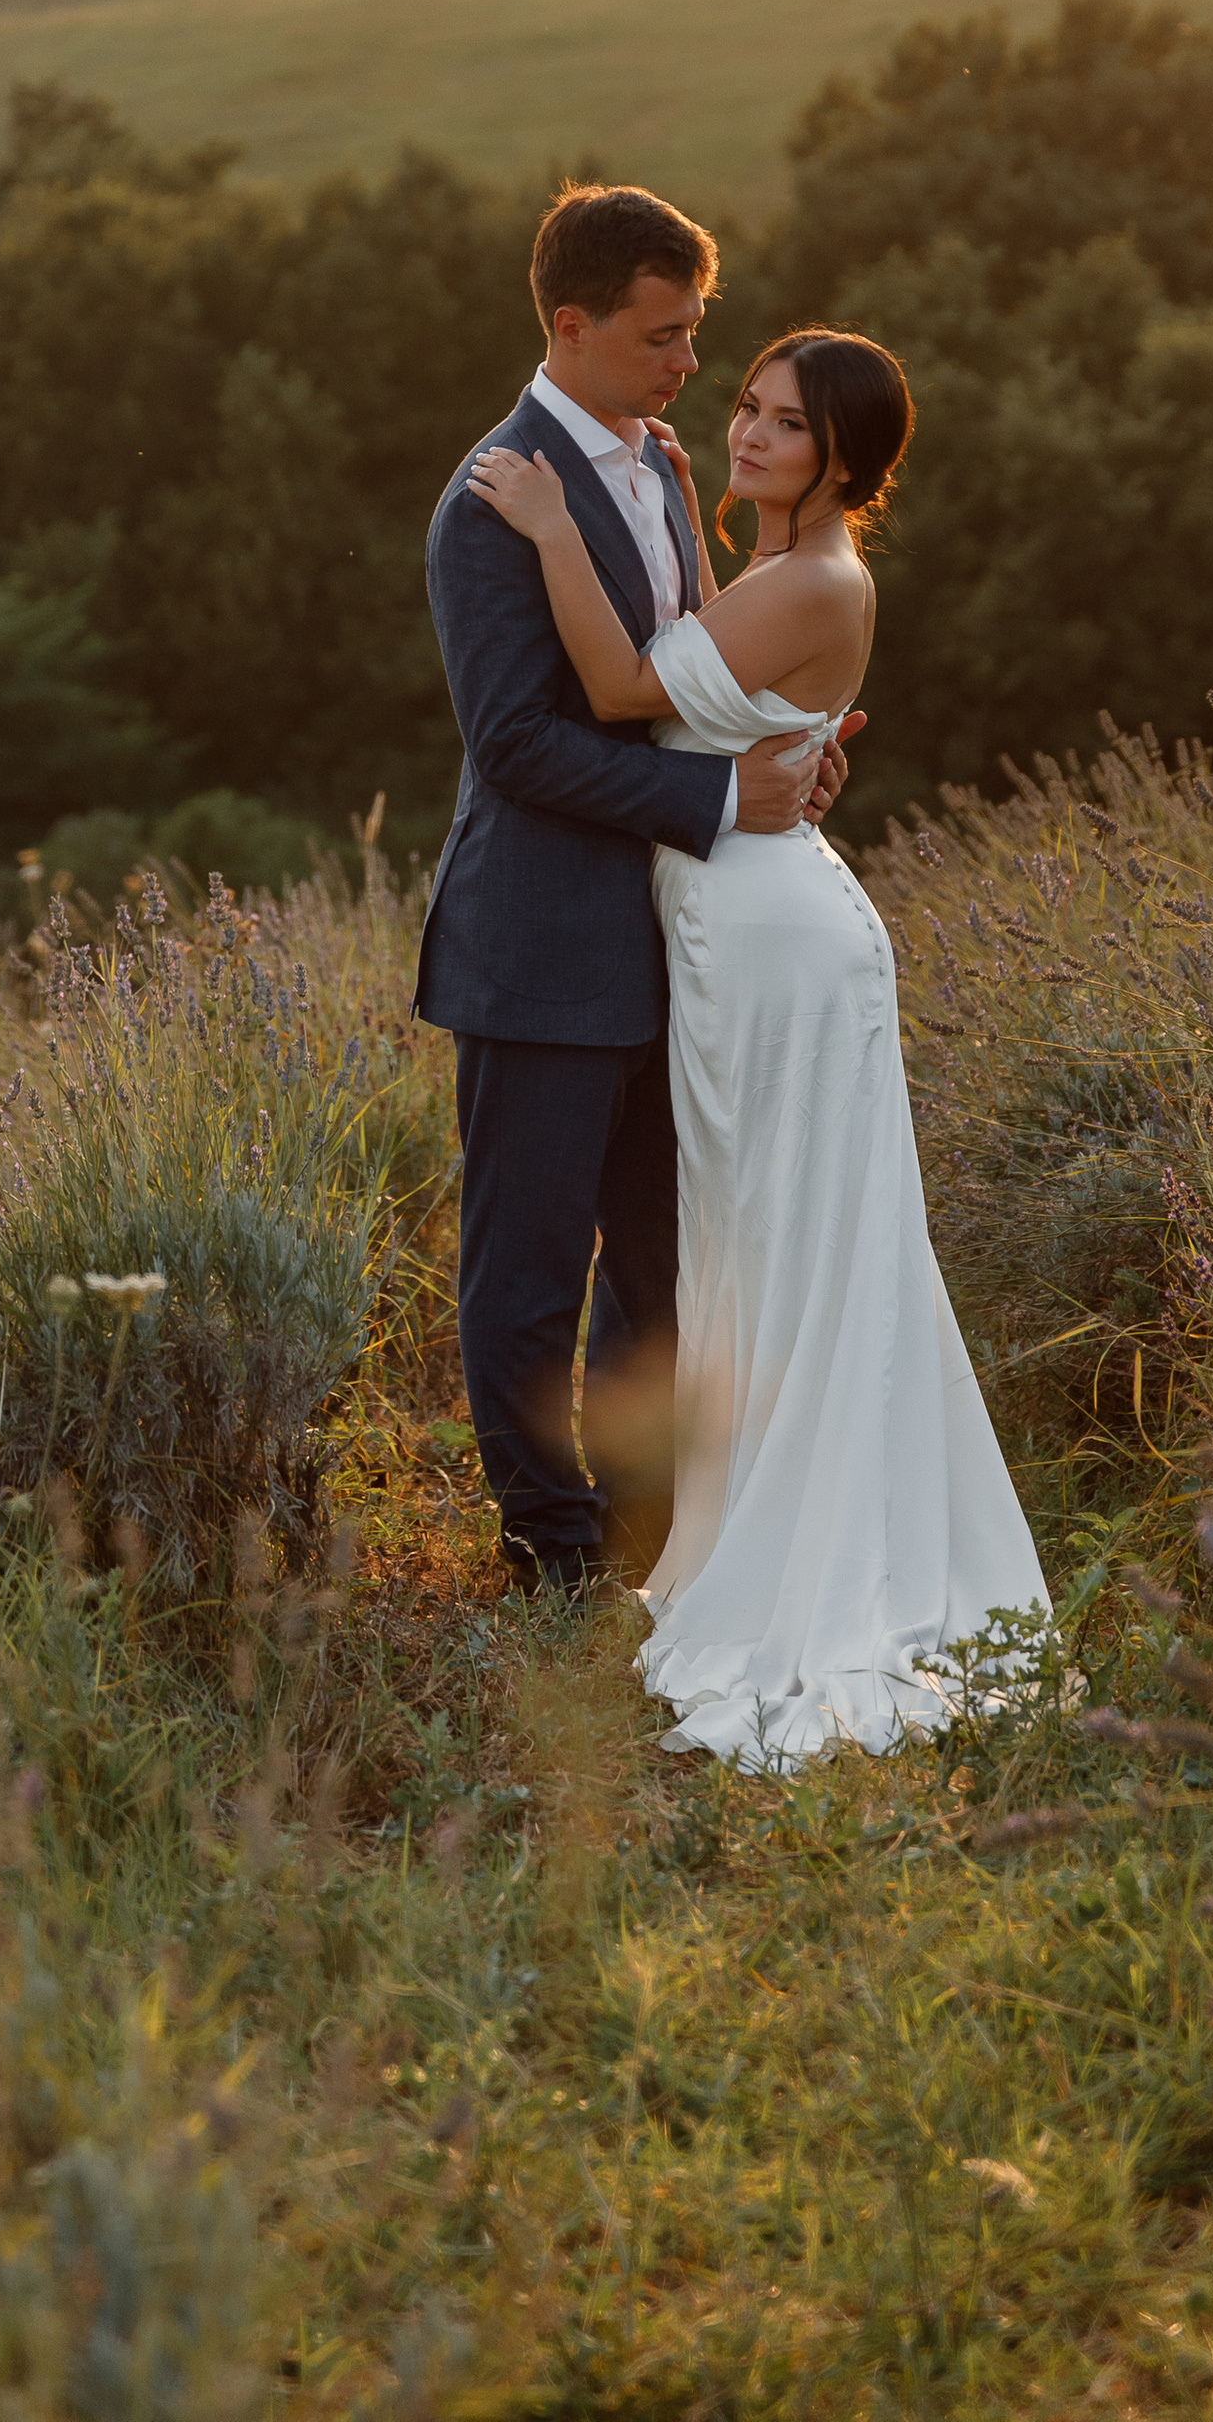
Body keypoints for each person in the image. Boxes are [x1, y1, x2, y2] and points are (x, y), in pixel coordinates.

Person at [466, 319, 1052, 1763]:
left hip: (776, 939)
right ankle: (744, 1513)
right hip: (736, 923)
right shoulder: (788, 573)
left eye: (783, 424)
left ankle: (812, 1545)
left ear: (841, 457)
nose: (746, 431)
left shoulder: (818, 578)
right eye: (744, 405)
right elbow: (720, 691)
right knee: (751, 1234)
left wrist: (551, 525)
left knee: (791, 1238)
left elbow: (619, 694)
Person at [417, 184, 854, 1597]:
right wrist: (725, 800)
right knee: (529, 1274)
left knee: (668, 1262)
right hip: (540, 944)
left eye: (694, 334)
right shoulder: (491, 501)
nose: (687, 369)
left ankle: (638, 1529)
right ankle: (546, 1549)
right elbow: (521, 745)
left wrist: (780, 758)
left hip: (683, 941)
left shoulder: (662, 468)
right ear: (573, 324)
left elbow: (677, 677)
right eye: (662, 338)